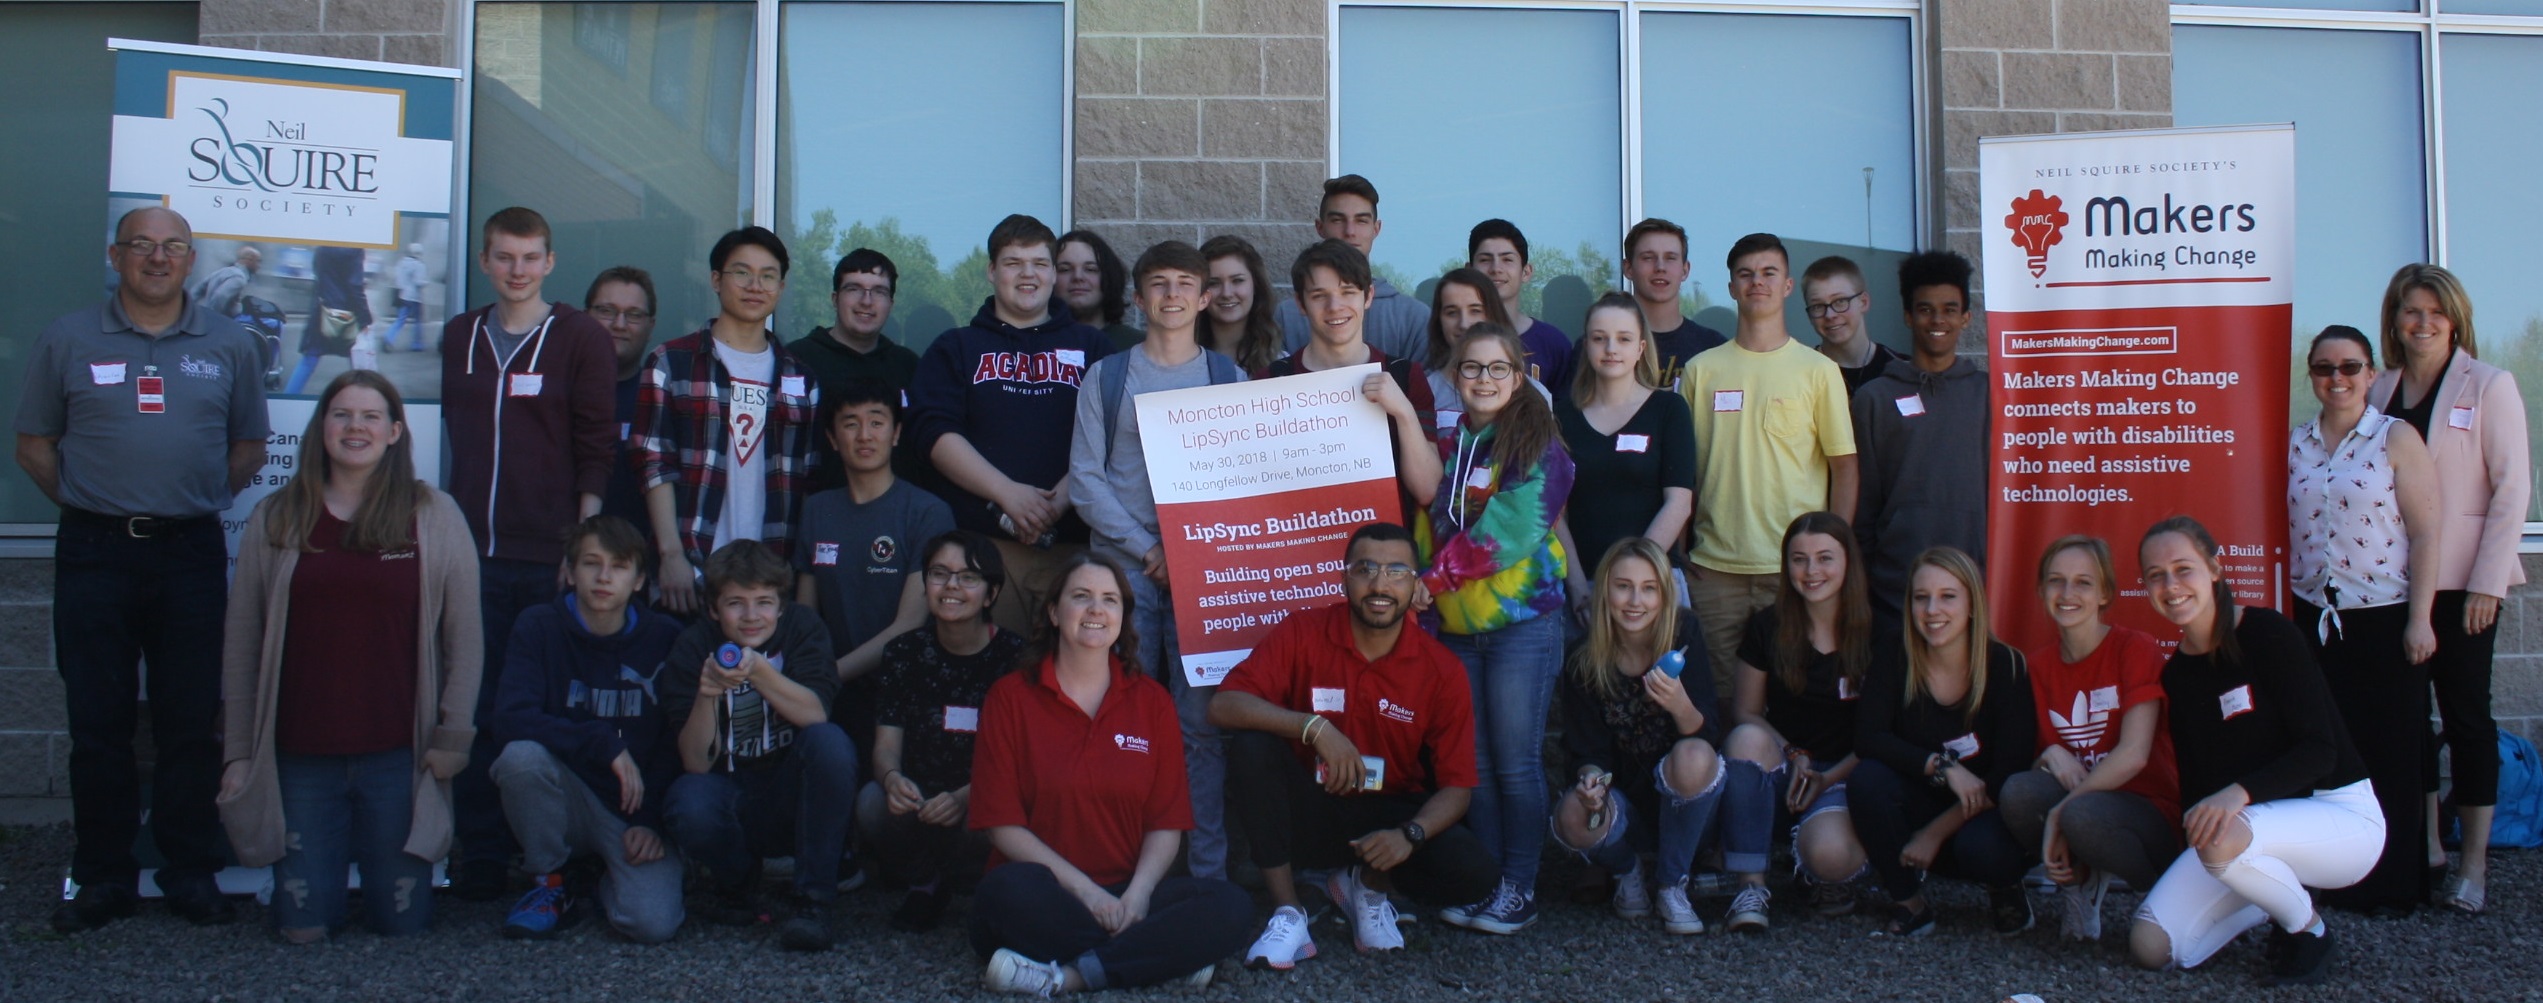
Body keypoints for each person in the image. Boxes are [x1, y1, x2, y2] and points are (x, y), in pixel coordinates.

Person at [16, 206, 266, 932]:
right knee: (98, 721)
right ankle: (101, 875)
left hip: (188, 550)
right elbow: (34, 444)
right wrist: (96, 503)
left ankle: (188, 871)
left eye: (172, 247)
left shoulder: (228, 343)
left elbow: (248, 445)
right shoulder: (68, 338)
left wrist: (180, 498)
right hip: (94, 551)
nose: (157, 258)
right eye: (142, 246)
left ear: (191, 259)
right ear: (116, 255)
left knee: (190, 719)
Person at [217, 370, 482, 943]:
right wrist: (239, 752)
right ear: (321, 429)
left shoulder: (434, 517)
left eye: (370, 417)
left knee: (402, 927)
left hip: (399, 757)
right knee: (302, 930)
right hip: (299, 756)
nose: (355, 427)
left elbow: (465, 640)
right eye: (341, 414)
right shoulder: (277, 517)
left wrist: (452, 737)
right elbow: (242, 642)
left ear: (394, 432)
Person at [1211, 523, 1499, 964]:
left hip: (1387, 815)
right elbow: (1225, 704)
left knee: (1474, 871)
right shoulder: (1304, 631)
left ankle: (1367, 887)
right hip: (1311, 807)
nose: (1380, 584)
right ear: (1344, 577)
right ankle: (1289, 912)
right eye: (1365, 569)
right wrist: (1314, 728)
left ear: (1415, 584)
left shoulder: (1441, 669)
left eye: (1396, 571)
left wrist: (1410, 835)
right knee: (1252, 746)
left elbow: (1458, 788)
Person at [968, 554, 1254, 995]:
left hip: (1126, 893)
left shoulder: (1152, 701)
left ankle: (1068, 976)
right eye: (1081, 597)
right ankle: (1155, 959)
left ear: (1123, 615)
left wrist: (1137, 897)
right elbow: (1002, 827)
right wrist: (1087, 894)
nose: (1096, 610)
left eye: (1110, 600)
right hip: (1046, 893)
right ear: (1053, 612)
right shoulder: (1010, 698)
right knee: (1001, 893)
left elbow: (1165, 825)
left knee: (1231, 905)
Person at [441, 205, 621, 899]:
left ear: (549, 262)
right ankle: (483, 852)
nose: (517, 269)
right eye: (504, 257)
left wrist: (580, 549)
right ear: (485, 262)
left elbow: (595, 447)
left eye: (530, 257)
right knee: (478, 705)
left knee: (548, 707)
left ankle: (561, 852)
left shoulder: (578, 337)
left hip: (548, 558)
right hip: (470, 556)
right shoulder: (459, 336)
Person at [2129, 516, 2380, 985]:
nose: (2171, 585)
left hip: (2338, 815)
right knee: (2150, 946)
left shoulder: (2268, 633)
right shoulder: (2177, 677)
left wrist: (2237, 794)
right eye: (2156, 576)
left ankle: (2309, 929)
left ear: (2215, 569)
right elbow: (2200, 785)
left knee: (2222, 839)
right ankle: (2271, 901)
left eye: (2184, 569)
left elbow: (2320, 751)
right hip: (2246, 836)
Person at [1068, 240, 1248, 881]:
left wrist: (1192, 553)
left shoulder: (1229, 380)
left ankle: (1206, 879)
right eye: (1158, 284)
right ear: (1141, 297)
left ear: (1204, 299)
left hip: (1206, 580)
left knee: (1200, 726)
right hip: (1121, 578)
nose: (1171, 295)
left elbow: (1243, 483)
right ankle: (1113, 867)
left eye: (1184, 284)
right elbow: (1086, 481)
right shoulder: (1108, 378)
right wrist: (1150, 549)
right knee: (1118, 716)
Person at [2362, 263, 2528, 915]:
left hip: (2464, 586)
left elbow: (2511, 489)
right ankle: (2424, 846)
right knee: (2405, 720)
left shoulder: (2488, 385)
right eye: (2410, 310)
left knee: (2465, 718)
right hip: (2393, 584)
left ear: (2453, 318)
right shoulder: (2377, 390)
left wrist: (2489, 579)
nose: (2422, 322)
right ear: (2394, 320)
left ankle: (2473, 864)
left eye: (2435, 310)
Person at [1424, 327, 1575, 936]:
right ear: (1456, 377)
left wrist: (1425, 584)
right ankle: (1486, 881)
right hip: (1459, 631)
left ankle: (1520, 886)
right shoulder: (1455, 442)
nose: (1484, 380)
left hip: (1521, 627)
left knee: (1515, 764)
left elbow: (1506, 535)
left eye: (1497, 369)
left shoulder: (1542, 446)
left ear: (1519, 377)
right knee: (1476, 766)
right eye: (1471, 369)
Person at [2291, 325, 2441, 913]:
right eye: (2325, 368)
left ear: (2371, 374)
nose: (2338, 379)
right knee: (2329, 750)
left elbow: (2427, 532)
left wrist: (2421, 619)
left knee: (2392, 749)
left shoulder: (2396, 439)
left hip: (2382, 616)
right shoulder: (2296, 444)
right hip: (2315, 619)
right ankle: (2332, 874)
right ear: (2312, 376)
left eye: (2350, 368)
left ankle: (2392, 885)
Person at [907, 214, 1114, 633]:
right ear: (991, 271)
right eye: (1014, 262)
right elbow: (933, 432)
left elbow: (1116, 436)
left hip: (1077, 552)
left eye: (1039, 263)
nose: (1028, 274)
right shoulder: (956, 347)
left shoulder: (1093, 347)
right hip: (985, 556)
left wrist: (1057, 501)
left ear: (1054, 273)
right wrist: (1007, 494)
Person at [487, 515, 686, 943]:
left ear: (638, 581)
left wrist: (652, 821)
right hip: (565, 792)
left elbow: (676, 739)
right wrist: (601, 741)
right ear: (571, 571)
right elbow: (509, 718)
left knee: (652, 924)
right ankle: (551, 883)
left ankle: (596, 879)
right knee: (520, 759)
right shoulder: (538, 626)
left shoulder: (665, 637)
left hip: (631, 809)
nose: (603, 577)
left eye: (618, 565)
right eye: (591, 563)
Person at [1680, 232, 1859, 699]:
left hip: (1795, 569)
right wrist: (1681, 547)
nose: (1756, 282)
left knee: (1796, 694)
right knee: (1720, 694)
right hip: (1714, 570)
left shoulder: (1818, 371)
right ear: (1732, 287)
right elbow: (1685, 470)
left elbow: (1844, 467)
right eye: (1746, 274)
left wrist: (1832, 552)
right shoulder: (1701, 371)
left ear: (1786, 286)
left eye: (1768, 273)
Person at [659, 539, 856, 951]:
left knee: (830, 744)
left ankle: (814, 901)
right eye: (736, 603)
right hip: (730, 790)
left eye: (764, 602)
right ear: (713, 609)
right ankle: (736, 882)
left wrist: (762, 673)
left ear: (781, 606)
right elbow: (695, 762)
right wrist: (708, 693)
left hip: (790, 791)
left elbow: (815, 713)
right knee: (687, 800)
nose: (752, 616)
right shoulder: (693, 646)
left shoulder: (802, 627)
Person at [1999, 535, 2182, 942]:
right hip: (2085, 805)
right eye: (2056, 581)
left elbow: (2134, 756)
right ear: (2041, 590)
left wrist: (2062, 813)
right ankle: (2079, 884)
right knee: (2019, 792)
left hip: (2147, 811)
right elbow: (2027, 767)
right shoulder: (2036, 666)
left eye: (2083, 582)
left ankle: (2171, 898)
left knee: (2082, 816)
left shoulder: (2135, 648)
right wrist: (2048, 754)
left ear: (2105, 594)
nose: (2067, 594)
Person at [633, 226, 822, 616]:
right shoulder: (671, 362)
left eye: (768, 276)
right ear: (716, 280)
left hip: (770, 581)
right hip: (690, 575)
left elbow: (811, 481)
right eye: (742, 272)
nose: (755, 285)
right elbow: (652, 461)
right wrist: (670, 555)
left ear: (781, 288)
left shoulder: (802, 379)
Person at [1850, 546, 2037, 937]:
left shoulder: (2006, 665)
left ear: (1972, 604)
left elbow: (2009, 772)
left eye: (1947, 596)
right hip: (1922, 796)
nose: (1933, 609)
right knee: (1868, 781)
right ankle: (1909, 903)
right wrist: (1943, 766)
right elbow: (1868, 738)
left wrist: (1934, 834)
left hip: (1984, 811)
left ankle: (2003, 887)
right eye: (1922, 597)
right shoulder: (1894, 653)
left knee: (1984, 850)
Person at [1551, 538, 1721, 935]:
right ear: (1604, 590)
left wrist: (1679, 705)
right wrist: (1591, 780)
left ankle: (1671, 882)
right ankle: (1626, 872)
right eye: (1623, 586)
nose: (1635, 600)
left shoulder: (1684, 634)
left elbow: (1710, 736)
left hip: (1685, 806)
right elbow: (1586, 750)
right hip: (1623, 805)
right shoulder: (1583, 658)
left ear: (1664, 594)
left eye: (1649, 588)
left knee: (1695, 755)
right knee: (1573, 813)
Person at [862, 530, 1025, 932]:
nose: (951, 586)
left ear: (990, 594)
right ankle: (925, 883)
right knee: (870, 803)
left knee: (994, 817)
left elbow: (1025, 759)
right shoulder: (903, 653)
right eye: (939, 574)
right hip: (919, 795)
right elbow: (886, 744)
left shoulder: (1017, 659)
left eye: (968, 577)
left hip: (983, 797)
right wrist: (892, 777)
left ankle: (982, 884)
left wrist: (966, 796)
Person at [1721, 512, 1878, 928]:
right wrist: (1794, 753)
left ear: (1849, 562)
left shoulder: (1878, 632)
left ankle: (1820, 867)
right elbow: (1746, 711)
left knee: (1830, 856)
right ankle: (1750, 887)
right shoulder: (1767, 625)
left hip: (1847, 773)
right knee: (1744, 739)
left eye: (1825, 558)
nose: (1811, 572)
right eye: (1799, 559)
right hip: (1788, 767)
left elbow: (1882, 735)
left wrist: (1828, 777)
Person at [793, 381, 954, 774]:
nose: (864, 435)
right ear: (832, 438)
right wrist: (807, 679)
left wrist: (826, 677)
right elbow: (804, 617)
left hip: (905, 694)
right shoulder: (816, 511)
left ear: (896, 433)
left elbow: (910, 625)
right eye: (850, 424)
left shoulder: (927, 512)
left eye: (877, 422)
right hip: (833, 698)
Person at [1259, 239, 1444, 527]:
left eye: (1348, 292)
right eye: (1320, 295)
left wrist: (1403, 413)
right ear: (1300, 303)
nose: (1335, 306)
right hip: (1298, 554)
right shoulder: (1270, 382)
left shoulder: (1405, 376)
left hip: (1383, 562)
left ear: (1368, 296)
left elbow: (1428, 490)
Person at [1850, 249, 1987, 617]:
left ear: (1966, 317)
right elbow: (1863, 509)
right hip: (1896, 590)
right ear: (1909, 317)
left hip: (1976, 587)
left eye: (1949, 309)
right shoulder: (1874, 399)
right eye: (1925, 309)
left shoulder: (1989, 396)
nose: (1937, 320)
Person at [1554, 292, 1696, 605]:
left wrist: (1631, 579)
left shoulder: (1669, 410)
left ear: (1641, 348)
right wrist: (1576, 584)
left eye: (1624, 338)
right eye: (1600, 338)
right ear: (1587, 345)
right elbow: (1555, 511)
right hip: (1584, 589)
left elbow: (1679, 503)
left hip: (1651, 583)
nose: (1611, 349)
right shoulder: (1562, 416)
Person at [789, 248, 922, 494]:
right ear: (834, 298)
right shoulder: (796, 362)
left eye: (879, 291)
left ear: (890, 304)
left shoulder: (909, 367)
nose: (867, 301)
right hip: (813, 518)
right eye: (854, 288)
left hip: (896, 524)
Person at [1275, 175, 1429, 360]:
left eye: (1361, 220)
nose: (1350, 231)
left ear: (1376, 228)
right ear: (1320, 227)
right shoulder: (1285, 316)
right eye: (1338, 220)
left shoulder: (1414, 317)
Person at [586, 266, 659, 537]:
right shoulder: (560, 396)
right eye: (606, 311)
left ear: (651, 326)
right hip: (563, 558)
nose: (619, 324)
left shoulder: (661, 401)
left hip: (642, 562)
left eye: (634, 315)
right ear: (585, 316)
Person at [1620, 218, 1728, 392]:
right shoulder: (1603, 346)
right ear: (1628, 268)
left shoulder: (1713, 347)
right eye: (1648, 258)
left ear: (1685, 270)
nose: (1660, 267)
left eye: (1670, 258)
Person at [1468, 219, 1571, 392]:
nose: (1496, 268)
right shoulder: (1457, 337)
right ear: (1469, 271)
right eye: (1485, 260)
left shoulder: (1553, 344)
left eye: (1507, 259)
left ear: (1526, 272)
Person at [1420, 268, 1514, 432]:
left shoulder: (1534, 392)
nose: (1464, 323)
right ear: (1439, 320)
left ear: (1493, 314)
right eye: (1452, 313)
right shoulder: (1424, 391)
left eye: (1475, 311)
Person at [1801, 256, 1902, 397]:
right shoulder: (1800, 376)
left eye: (1840, 301)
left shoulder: (1902, 370)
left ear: (1864, 302)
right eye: (1818, 306)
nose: (1830, 315)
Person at [283, 243, 373, 395]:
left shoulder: (322, 248)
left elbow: (318, 275)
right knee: (358, 358)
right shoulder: (355, 249)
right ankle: (365, 400)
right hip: (346, 314)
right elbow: (355, 286)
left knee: (310, 358)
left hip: (322, 309)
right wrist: (365, 318)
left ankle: (288, 397)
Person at [1198, 235, 1283, 373]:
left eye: (1237, 281)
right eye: (1213, 283)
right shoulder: (1185, 362)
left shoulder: (1281, 365)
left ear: (1256, 285)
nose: (1226, 293)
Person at [1059, 230, 1142, 352]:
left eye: (1090, 269)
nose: (1078, 277)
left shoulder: (1139, 346)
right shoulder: (1032, 343)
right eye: (1065, 269)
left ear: (1109, 276)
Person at [194, 244, 261, 319]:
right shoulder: (239, 278)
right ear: (249, 260)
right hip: (224, 322)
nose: (259, 265)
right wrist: (213, 318)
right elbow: (220, 296)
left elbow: (197, 290)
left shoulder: (222, 272)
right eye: (258, 261)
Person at [387, 243, 431, 352]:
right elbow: (418, 282)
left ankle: (389, 337)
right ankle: (417, 344)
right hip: (415, 297)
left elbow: (397, 279)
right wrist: (426, 282)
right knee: (418, 321)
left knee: (400, 319)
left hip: (403, 295)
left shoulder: (401, 263)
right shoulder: (419, 265)